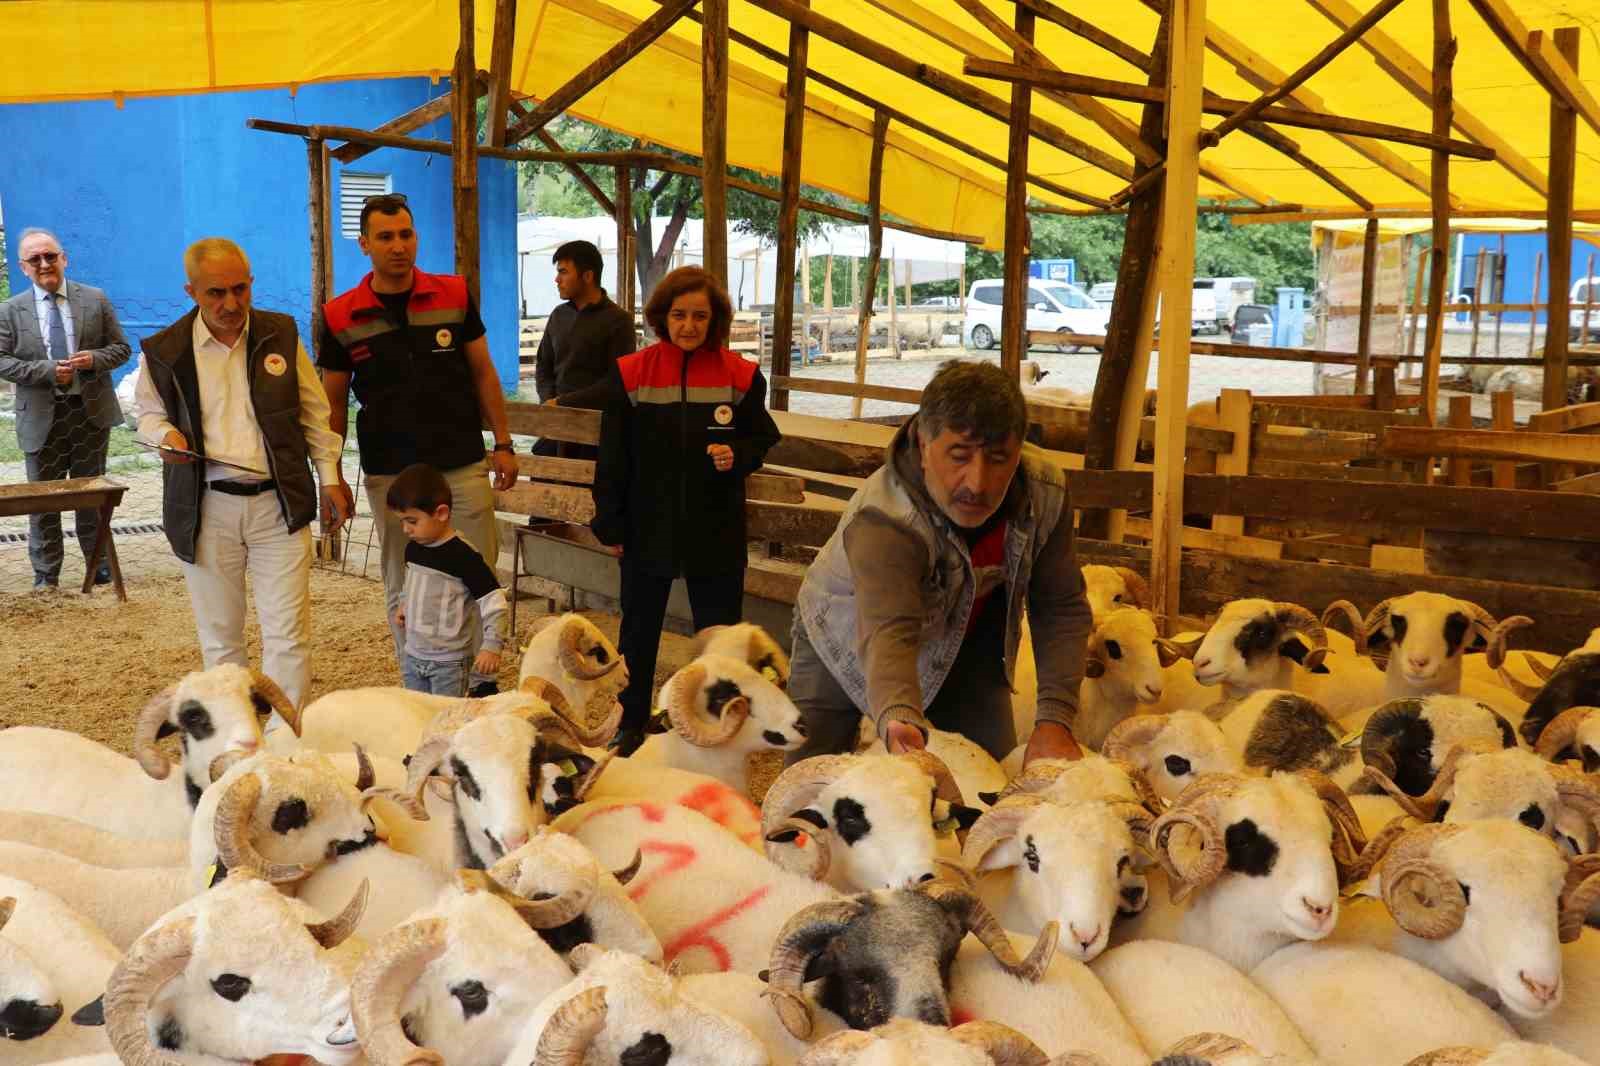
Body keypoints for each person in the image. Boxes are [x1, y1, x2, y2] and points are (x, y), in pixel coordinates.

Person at [787, 359, 1092, 768]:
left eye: (999, 458)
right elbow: (886, 627)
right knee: (812, 779)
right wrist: (899, 717)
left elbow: (1059, 606)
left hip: (966, 638)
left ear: (1020, 450)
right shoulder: (886, 518)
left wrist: (1055, 718)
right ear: (923, 443)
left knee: (985, 775)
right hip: (842, 635)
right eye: (959, 455)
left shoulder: (1046, 492)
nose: (977, 483)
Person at [134, 238, 351, 711]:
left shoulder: (280, 334)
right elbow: (147, 415)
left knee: (289, 635)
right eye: (216, 293)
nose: (230, 304)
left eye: (239, 289)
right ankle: (234, 743)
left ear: (251, 284)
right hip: (205, 507)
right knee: (220, 639)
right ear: (191, 291)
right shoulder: (164, 350)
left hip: (279, 505)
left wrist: (330, 477)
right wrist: (166, 437)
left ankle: (287, 744)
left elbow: (316, 413)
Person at [320, 192, 518, 695]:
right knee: (402, 581)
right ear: (364, 244)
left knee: (476, 574)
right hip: (392, 475)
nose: (398, 246)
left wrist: (504, 442)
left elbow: (482, 371)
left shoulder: (454, 294)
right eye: (385, 237)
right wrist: (332, 473)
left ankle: (478, 688)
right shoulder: (340, 314)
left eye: (406, 234)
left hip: (460, 464)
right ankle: (418, 687)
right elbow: (333, 403)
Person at [591, 266, 781, 755]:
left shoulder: (740, 375)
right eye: (679, 315)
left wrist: (737, 454)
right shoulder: (632, 373)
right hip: (644, 523)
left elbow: (760, 437)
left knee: (719, 633)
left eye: (700, 316)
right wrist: (608, 517)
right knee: (637, 630)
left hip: (714, 525)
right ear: (662, 317)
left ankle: (715, 721)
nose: (689, 326)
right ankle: (630, 721)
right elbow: (612, 454)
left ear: (715, 320)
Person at [0, 228, 131, 590]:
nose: (44, 264)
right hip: (40, 416)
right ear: (24, 267)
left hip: (89, 413)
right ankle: (46, 575)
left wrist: (94, 359)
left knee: (92, 496)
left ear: (64, 258)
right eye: (35, 259)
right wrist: (44, 371)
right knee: (42, 501)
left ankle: (99, 565)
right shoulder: (10, 311)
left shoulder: (95, 299)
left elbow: (121, 349)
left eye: (50, 256)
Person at [387, 463, 508, 698]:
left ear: (441, 513)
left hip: (449, 663)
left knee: (446, 718)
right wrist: (404, 603)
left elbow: (494, 602)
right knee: (417, 714)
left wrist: (492, 645)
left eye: (412, 521)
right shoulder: (413, 549)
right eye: (402, 521)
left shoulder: (464, 557)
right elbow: (409, 583)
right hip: (414, 655)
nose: (405, 529)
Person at [533, 239, 636, 459]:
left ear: (588, 276)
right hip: (556, 428)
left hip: (599, 433)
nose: (557, 279)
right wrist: (548, 401)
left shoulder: (619, 321)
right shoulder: (558, 315)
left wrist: (562, 403)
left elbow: (616, 383)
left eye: (563, 272)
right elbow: (543, 364)